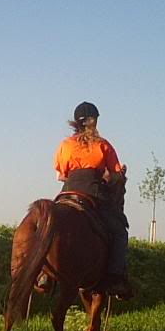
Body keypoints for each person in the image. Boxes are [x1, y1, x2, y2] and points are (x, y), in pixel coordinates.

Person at [53, 101, 132, 298]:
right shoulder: (103, 145)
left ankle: (43, 274)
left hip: (67, 191)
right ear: (94, 121)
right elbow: (116, 176)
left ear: (76, 123)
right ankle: (114, 278)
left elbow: (60, 176)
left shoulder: (65, 145)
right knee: (120, 233)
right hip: (94, 193)